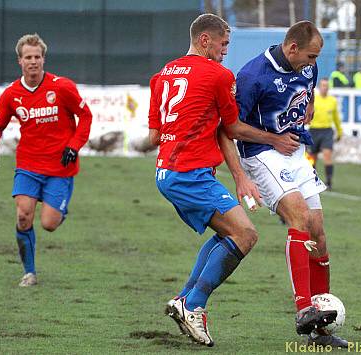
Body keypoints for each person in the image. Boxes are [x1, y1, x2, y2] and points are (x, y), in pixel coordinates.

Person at [148, 13, 304, 347]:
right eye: (223, 43)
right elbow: (231, 128)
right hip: (187, 172)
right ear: (205, 40)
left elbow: (153, 135)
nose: (225, 51)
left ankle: (184, 299)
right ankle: (194, 305)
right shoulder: (219, 75)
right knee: (246, 235)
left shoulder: (162, 74)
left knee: (229, 231)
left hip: (168, 170)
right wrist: (273, 140)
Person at [235, 21, 348, 348]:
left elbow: (307, 98)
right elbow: (232, 127)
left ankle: (322, 329)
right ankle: (304, 310)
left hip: (295, 152)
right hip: (261, 154)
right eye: (310, 56)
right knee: (298, 216)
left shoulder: (308, 69)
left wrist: (305, 111)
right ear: (292, 48)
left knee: (318, 231)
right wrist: (273, 138)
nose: (313, 64)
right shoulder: (252, 76)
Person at [0, 33, 92, 287]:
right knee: (23, 217)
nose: (33, 61)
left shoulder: (62, 87)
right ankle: (29, 273)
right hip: (28, 165)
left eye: (37, 57)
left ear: (43, 59)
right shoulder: (11, 94)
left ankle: (58, 208)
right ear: (20, 61)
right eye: (28, 57)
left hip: (60, 167)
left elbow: (85, 117)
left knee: (49, 224)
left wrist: (74, 146)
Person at [308, 78, 343, 190]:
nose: (325, 87)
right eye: (323, 85)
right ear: (319, 87)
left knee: (327, 155)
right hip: (314, 130)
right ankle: (312, 180)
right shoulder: (314, 100)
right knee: (312, 157)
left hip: (327, 131)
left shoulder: (332, 101)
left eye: (327, 85)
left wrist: (339, 131)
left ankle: (329, 182)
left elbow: (336, 117)